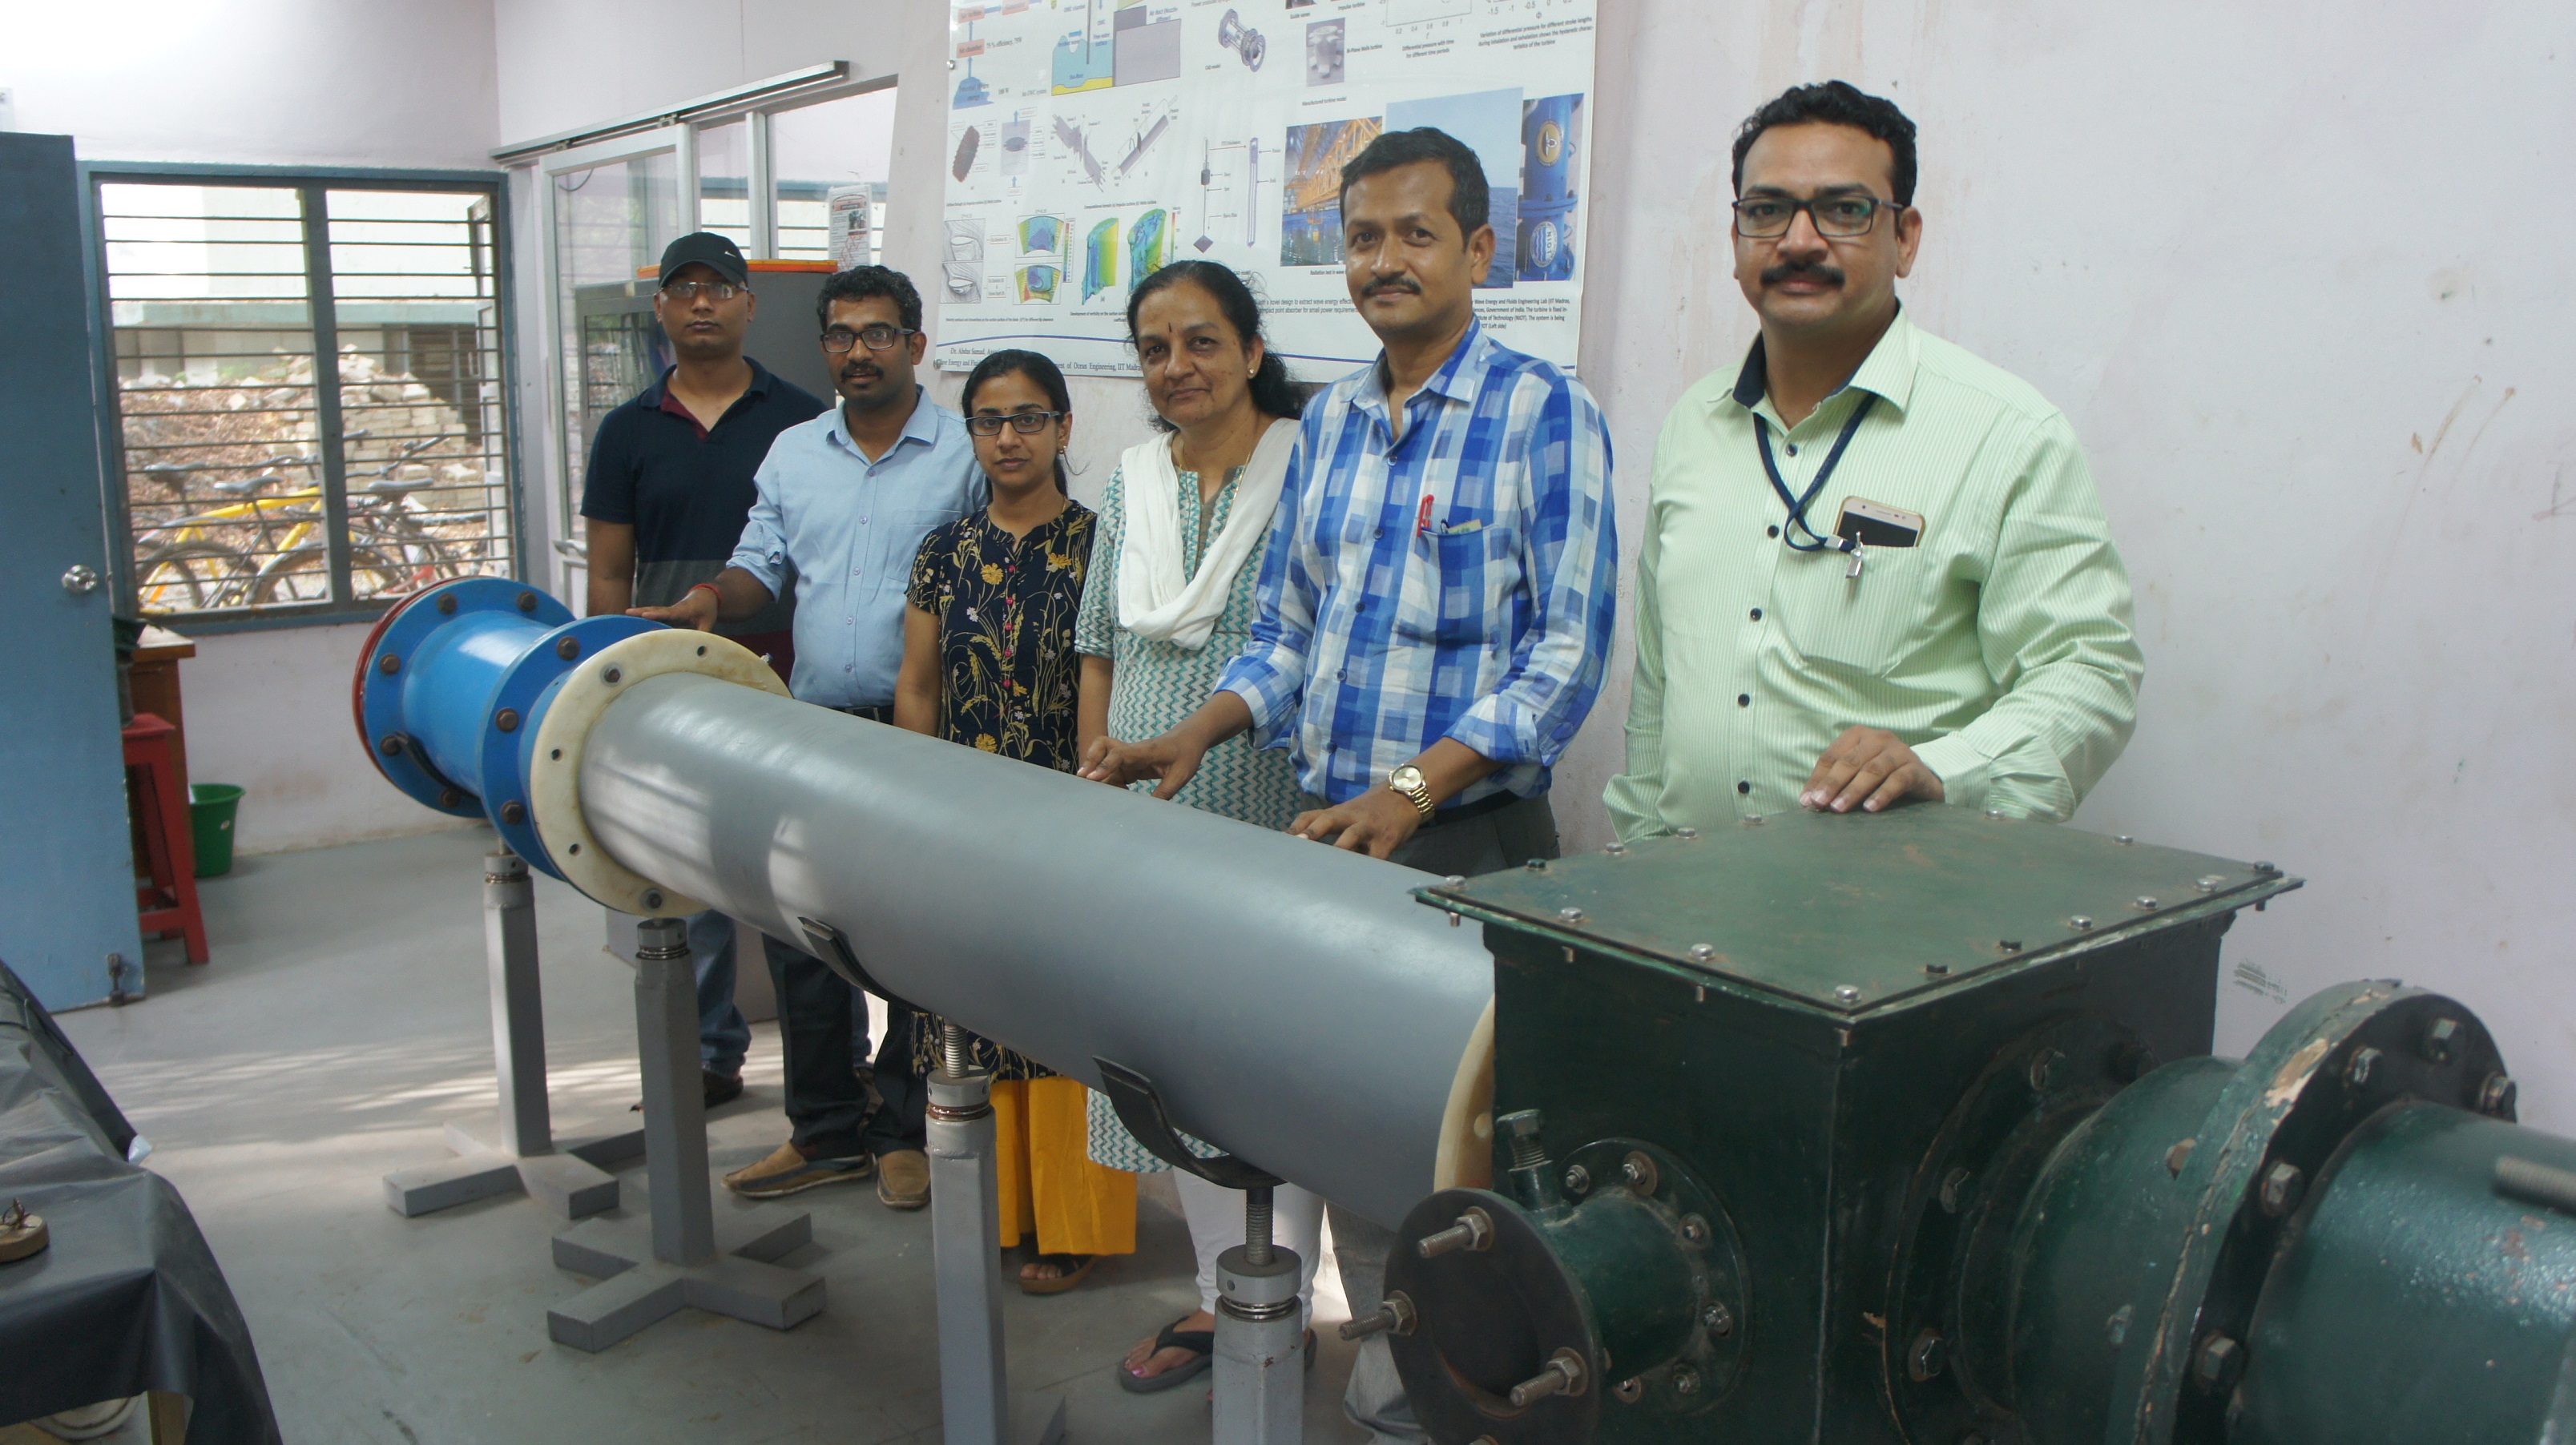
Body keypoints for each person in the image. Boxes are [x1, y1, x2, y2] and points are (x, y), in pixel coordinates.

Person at [1082, 127, 1619, 1444]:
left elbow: (1570, 651)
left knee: (1464, 1169)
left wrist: (1417, 785)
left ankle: (1460, 1406)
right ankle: (1393, 1394)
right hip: (1334, 840)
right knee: (1353, 1137)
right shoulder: (1325, 423)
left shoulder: (1545, 412)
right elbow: (1287, 629)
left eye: (1414, 234)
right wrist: (1198, 728)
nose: (1384, 260)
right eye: (1363, 237)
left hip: (1476, 848)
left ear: (1479, 250)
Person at [1602, 82, 2143, 838]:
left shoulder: (2004, 434)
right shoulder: (1693, 425)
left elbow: (2089, 672)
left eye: (1843, 210)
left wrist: (1948, 767)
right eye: (1765, 211)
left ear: (1906, 238)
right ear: (1735, 240)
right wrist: (1639, 851)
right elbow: (1660, 688)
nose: (1798, 240)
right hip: (1686, 906)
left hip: (1897, 926)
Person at [633, 265, 985, 1209]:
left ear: (915, 345)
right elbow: (761, 568)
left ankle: (903, 1125)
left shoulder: (964, 451)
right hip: (817, 723)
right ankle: (823, 1127)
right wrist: (710, 601)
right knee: (801, 932)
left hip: (926, 735)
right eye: (839, 335)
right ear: (823, 347)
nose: (857, 351)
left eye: (877, 334)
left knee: (910, 936)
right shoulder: (793, 452)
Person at [1070, 260, 1323, 1391]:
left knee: (1271, 1064)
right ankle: (1224, 1299)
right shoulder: (1129, 480)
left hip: (1261, 810)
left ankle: (1297, 1300)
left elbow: (1313, 638)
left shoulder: (1307, 468)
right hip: (1135, 813)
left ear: (1251, 353)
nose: (1177, 369)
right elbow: (1098, 639)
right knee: (1170, 1067)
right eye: (1156, 349)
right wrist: (1091, 774)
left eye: (1202, 343)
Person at [893, 348, 1134, 1293]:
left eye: (1029, 418)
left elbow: (1100, 677)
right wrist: (915, 800)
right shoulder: (941, 551)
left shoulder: (1097, 543)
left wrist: (1087, 799)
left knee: (1058, 1017)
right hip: (959, 817)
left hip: (1060, 814)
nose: (1009, 438)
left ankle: (1069, 1225)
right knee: (972, 1013)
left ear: (1064, 429)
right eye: (989, 421)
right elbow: (916, 686)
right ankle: (990, 1213)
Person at [578, 231, 826, 1109]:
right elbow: (609, 574)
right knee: (688, 875)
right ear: (660, 310)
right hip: (670, 683)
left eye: (718, 288)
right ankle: (708, 1058)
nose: (700, 303)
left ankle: (825, 1087)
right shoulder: (626, 431)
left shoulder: (802, 420)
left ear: (748, 304)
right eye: (681, 289)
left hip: (785, 676)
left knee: (803, 881)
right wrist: (599, 679)